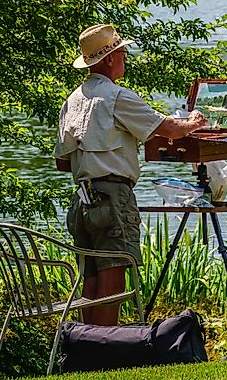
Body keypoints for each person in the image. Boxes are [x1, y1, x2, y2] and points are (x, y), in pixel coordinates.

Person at [54, 24, 206, 326]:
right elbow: (170, 129)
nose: (126, 58)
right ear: (109, 59)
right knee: (114, 279)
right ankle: (104, 351)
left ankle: (87, 348)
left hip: (82, 201)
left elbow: (62, 162)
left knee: (92, 279)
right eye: (123, 53)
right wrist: (193, 121)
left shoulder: (73, 99)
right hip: (112, 197)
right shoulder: (116, 96)